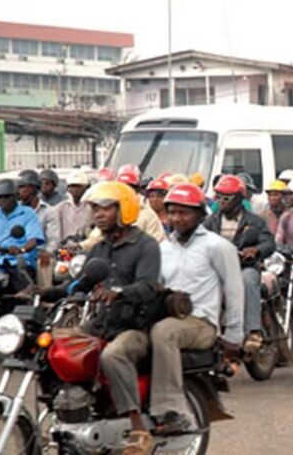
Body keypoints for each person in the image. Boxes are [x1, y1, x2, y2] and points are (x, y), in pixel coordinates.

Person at [72, 181, 161, 454]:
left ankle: (138, 427)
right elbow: (80, 283)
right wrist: (46, 290)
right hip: (102, 322)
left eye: (106, 208)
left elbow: (148, 286)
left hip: (135, 325)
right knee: (59, 346)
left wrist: (119, 293)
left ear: (124, 209)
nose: (98, 214)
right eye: (95, 209)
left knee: (113, 355)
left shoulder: (145, 245)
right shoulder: (99, 248)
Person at [150, 182, 244, 435]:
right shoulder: (163, 249)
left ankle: (171, 410)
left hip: (201, 322)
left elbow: (234, 290)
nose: (176, 218)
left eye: (184, 212)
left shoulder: (217, 246)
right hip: (170, 316)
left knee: (163, 332)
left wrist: (234, 336)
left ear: (200, 215)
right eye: (172, 212)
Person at [204, 175, 275, 350]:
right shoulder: (210, 221)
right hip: (218, 271)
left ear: (239, 198)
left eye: (226, 197)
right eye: (218, 196)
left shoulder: (254, 221)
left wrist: (256, 250)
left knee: (247, 280)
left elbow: (269, 243)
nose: (221, 201)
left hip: (245, 267)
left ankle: (253, 331)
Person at [0, 179, 44, 294]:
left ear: (16, 196)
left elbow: (34, 240)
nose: (2, 200)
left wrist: (21, 249)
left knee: (25, 295)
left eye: (7, 197)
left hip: (19, 264)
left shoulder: (27, 213)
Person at [81, 169, 166, 250]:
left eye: (129, 188)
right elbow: (96, 238)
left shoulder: (147, 214)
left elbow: (157, 243)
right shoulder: (112, 212)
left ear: (136, 190)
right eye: (121, 188)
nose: (125, 191)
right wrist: (80, 246)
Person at [18, 170, 59, 288]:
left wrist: (47, 252)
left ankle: (43, 297)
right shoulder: (15, 210)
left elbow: (53, 239)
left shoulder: (49, 211)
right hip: (18, 251)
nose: (19, 191)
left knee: (44, 263)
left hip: (39, 253)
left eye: (22, 187)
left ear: (33, 188)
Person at [54, 171, 93, 243]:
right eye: (72, 186)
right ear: (68, 188)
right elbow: (56, 233)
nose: (75, 189)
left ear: (86, 187)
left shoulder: (92, 208)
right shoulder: (60, 208)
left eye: (78, 186)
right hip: (65, 249)